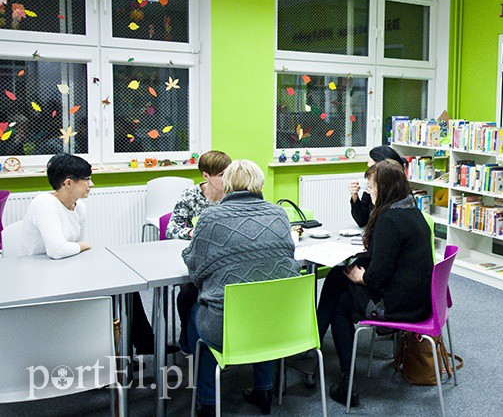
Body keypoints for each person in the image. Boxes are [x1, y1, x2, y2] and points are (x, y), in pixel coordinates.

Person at [19, 153, 172, 356]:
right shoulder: (44, 203)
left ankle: (139, 345)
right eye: (87, 179)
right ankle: (122, 349)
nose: (91, 184)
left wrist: (79, 247)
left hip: (66, 267)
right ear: (68, 183)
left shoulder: (79, 206)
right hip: (41, 276)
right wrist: (81, 246)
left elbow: (72, 246)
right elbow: (57, 250)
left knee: (126, 283)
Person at [183, 159, 299, 417]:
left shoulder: (211, 217)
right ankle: (264, 390)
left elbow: (196, 270)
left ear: (227, 184)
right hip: (279, 323)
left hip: (227, 327)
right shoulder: (279, 214)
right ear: (259, 183)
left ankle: (207, 402)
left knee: (196, 315)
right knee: (263, 305)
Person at [320, 160, 433, 407]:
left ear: (384, 188)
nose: (368, 192)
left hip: (398, 306)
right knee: (338, 276)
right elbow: (391, 260)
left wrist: (362, 277)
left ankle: (343, 376)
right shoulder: (411, 211)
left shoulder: (389, 220)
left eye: (371, 187)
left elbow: (378, 277)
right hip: (419, 301)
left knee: (339, 301)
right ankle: (318, 338)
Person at [165, 150, 232, 353]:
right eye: (221, 175)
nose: (226, 179)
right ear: (206, 176)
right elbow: (171, 229)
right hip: (198, 257)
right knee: (188, 290)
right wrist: (193, 231)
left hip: (225, 258)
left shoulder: (233, 195)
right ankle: (187, 336)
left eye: (228, 173)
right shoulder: (191, 195)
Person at [347, 145, 405, 227]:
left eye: (371, 168)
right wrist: (354, 196)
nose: (368, 170)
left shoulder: (401, 192)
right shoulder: (373, 187)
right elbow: (362, 220)